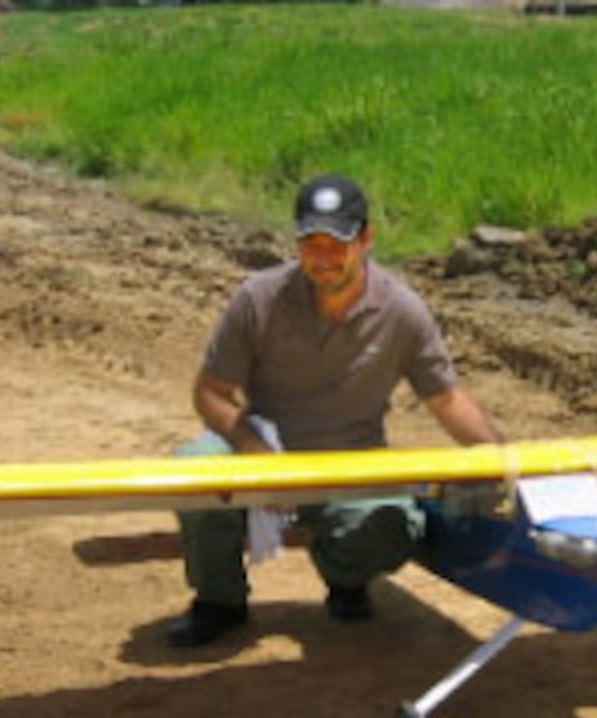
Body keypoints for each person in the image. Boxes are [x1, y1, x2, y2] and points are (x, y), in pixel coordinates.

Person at [170, 174, 503, 648]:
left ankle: (347, 576)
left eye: (337, 244)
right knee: (194, 469)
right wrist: (259, 453)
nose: (323, 258)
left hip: (351, 460)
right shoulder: (258, 299)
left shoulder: (403, 311)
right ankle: (219, 602)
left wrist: (503, 459)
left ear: (366, 239)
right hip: (267, 447)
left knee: (396, 524)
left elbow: (447, 398)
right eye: (311, 244)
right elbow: (210, 393)